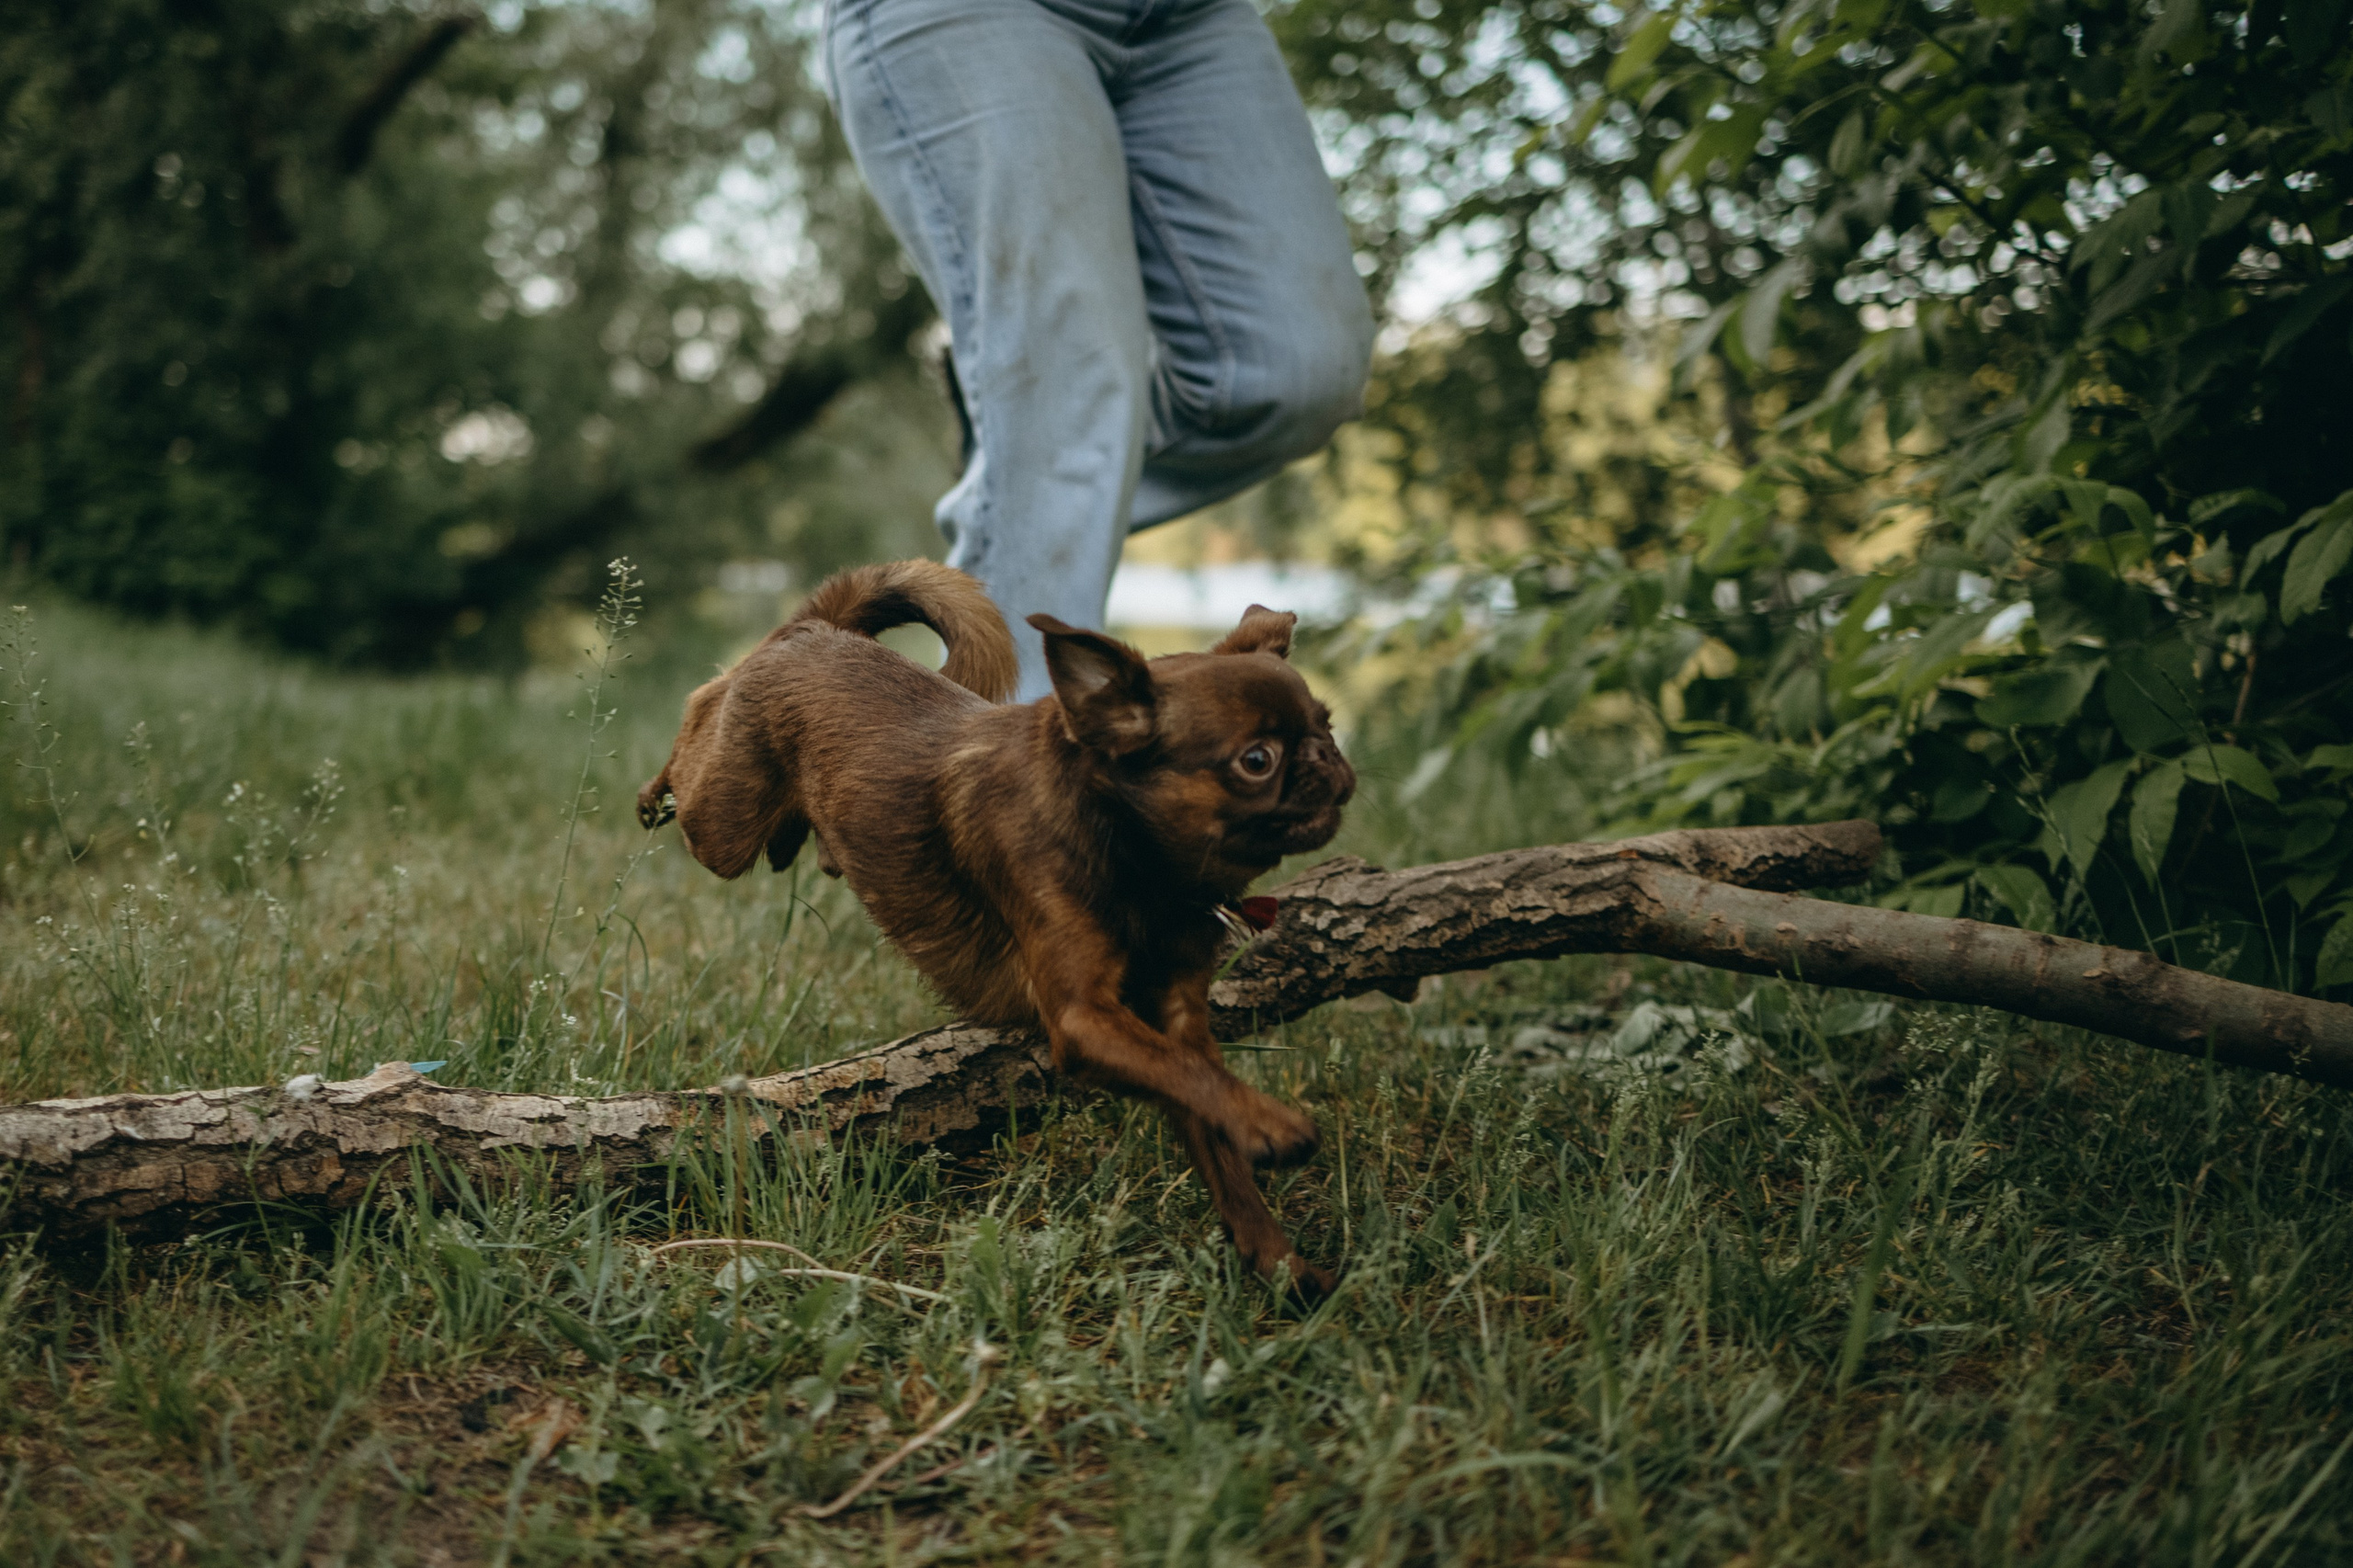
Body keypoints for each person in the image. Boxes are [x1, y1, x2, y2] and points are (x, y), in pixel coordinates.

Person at [824, 0, 1375, 699]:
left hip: (1193, 17)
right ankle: (1001, 788)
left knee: (1297, 371)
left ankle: (1027, 463)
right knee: (1066, 398)